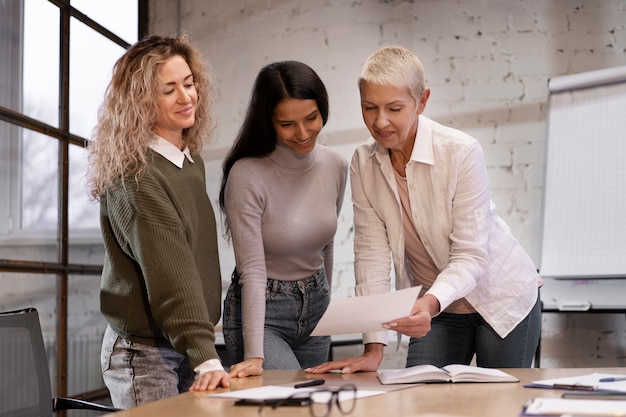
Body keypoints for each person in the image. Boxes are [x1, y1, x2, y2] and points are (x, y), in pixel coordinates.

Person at [307, 46, 542, 375]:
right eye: (369, 107)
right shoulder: (364, 162)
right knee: (419, 399)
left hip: (500, 299)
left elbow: (471, 256)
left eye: (395, 108)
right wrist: (373, 348)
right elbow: (371, 256)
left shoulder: (460, 152)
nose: (380, 121)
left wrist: (428, 305)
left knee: (497, 405)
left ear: (422, 101)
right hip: (436, 310)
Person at [87, 35, 229, 408]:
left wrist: (199, 346)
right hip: (144, 355)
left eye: (189, 83)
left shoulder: (188, 161)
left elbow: (193, 258)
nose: (186, 97)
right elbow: (171, 278)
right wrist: (205, 354)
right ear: (140, 101)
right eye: (169, 90)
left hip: (182, 343)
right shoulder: (138, 179)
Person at [218, 60, 349, 378]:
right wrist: (254, 355)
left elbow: (326, 245)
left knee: (317, 405)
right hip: (264, 314)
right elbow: (253, 270)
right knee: (292, 404)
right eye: (287, 124)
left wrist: (327, 309)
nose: (303, 133)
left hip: (317, 308)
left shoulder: (336, 164)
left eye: (311, 118)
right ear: (268, 122)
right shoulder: (247, 174)